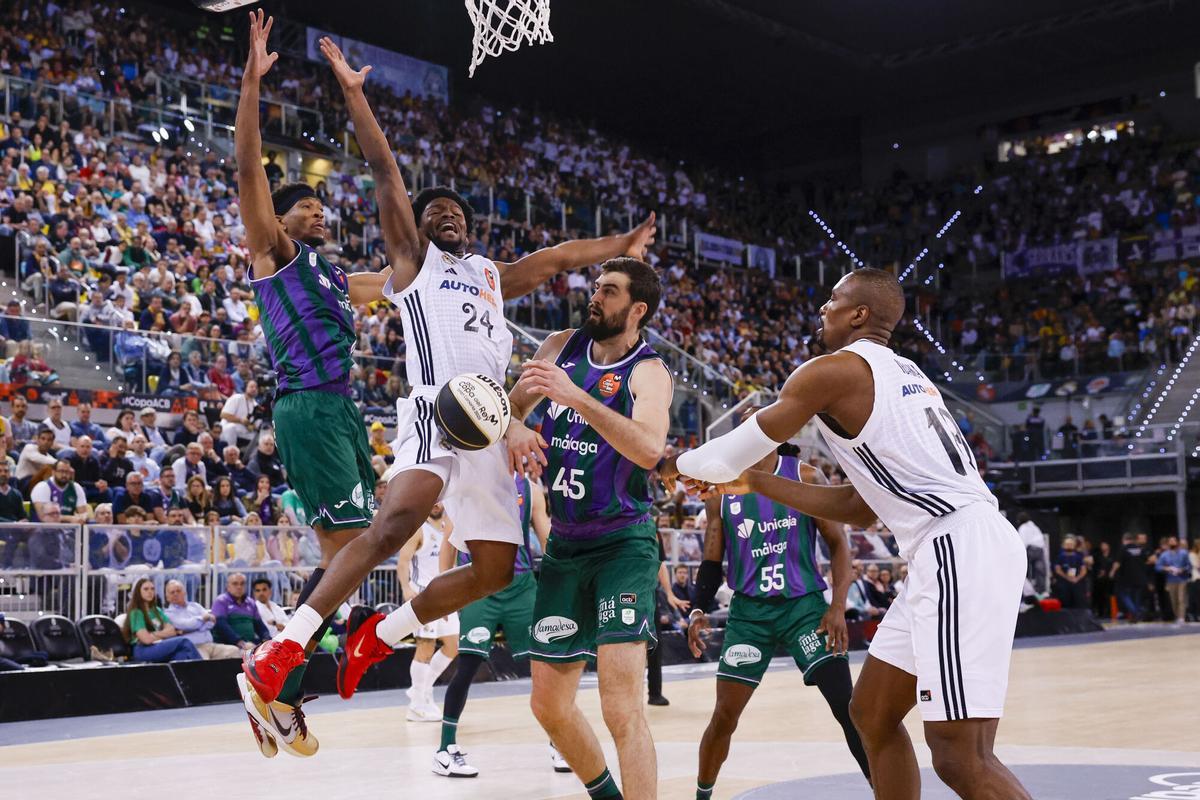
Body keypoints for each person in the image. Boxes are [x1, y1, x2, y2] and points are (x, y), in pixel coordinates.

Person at [242, 26, 658, 764]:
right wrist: (353, 93)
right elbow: (381, 168)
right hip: (439, 407)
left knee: (497, 569)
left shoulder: (494, 274)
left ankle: (383, 635)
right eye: (436, 215)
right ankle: (283, 650)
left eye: (455, 213)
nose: (446, 216)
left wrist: (621, 245)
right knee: (396, 521)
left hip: (492, 423)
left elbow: (559, 256)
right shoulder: (413, 263)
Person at [660, 268, 1031, 800]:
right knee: (872, 713)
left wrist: (669, 463)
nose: (822, 309)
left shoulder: (831, 371)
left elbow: (723, 452)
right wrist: (755, 482)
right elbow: (859, 508)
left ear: (859, 314)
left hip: (956, 545)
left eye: (832, 300)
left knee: (959, 756)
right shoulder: (906, 374)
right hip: (949, 545)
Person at [499, 256, 672, 800]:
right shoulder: (559, 347)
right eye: (596, 286)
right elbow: (506, 410)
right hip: (566, 548)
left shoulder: (649, 371)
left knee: (622, 709)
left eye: (610, 291)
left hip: (623, 545)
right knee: (547, 706)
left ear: (637, 308)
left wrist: (574, 395)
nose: (595, 296)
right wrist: (513, 430)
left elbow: (647, 448)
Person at [689, 434, 870, 800]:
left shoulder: (805, 476)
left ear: (773, 432)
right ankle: (701, 795)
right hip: (749, 615)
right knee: (724, 717)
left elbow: (838, 543)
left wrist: (837, 606)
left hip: (804, 609)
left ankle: (883, 789)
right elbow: (711, 559)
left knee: (847, 708)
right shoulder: (721, 489)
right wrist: (697, 608)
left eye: (756, 426)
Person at [432, 472, 565, 776]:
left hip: (521, 586)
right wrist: (444, 594)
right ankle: (445, 749)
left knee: (546, 666)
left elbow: (547, 541)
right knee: (466, 666)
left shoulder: (530, 489)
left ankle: (561, 743)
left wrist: (561, 585)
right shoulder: (467, 481)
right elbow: (449, 544)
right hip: (479, 584)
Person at [395, 503, 460, 723]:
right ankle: (416, 705)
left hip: (446, 595)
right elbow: (403, 562)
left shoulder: (449, 527)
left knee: (453, 646)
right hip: (424, 595)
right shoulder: (419, 529)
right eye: (432, 500)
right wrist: (406, 588)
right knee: (426, 646)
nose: (436, 503)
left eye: (440, 499)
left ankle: (421, 689)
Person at [123, 577, 203, 663]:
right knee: (184, 641)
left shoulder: (157, 610)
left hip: (158, 645)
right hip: (143, 650)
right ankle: (204, 672)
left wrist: (152, 634)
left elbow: (172, 631)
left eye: (152, 589)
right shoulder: (136, 613)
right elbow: (146, 640)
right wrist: (162, 634)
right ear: (138, 592)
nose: (150, 592)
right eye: (146, 589)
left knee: (181, 655)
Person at [163, 579, 243, 660]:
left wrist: (195, 627)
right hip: (194, 648)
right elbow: (186, 624)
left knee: (234, 651)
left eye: (178, 591)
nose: (176, 594)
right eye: (172, 592)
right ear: (167, 597)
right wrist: (202, 619)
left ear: (184, 592)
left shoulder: (195, 606)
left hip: (210, 644)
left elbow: (211, 622)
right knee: (204, 663)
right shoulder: (168, 614)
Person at [213, 573, 271, 650]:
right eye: (235, 584)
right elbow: (222, 626)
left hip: (250, 643)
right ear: (228, 586)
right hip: (229, 644)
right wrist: (239, 642)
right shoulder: (221, 601)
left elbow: (260, 626)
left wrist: (267, 639)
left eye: (242, 584)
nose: (239, 587)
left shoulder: (251, 602)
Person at [1112, 533, 1150, 622]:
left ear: (1124, 540)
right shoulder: (1139, 549)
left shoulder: (1123, 549)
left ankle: (1135, 612)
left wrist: (1112, 572)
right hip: (1140, 577)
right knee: (1137, 597)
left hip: (1127, 578)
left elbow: (1118, 563)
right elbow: (1148, 560)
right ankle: (1135, 616)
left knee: (1124, 595)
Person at [1155, 536, 1190, 626]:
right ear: (1168, 543)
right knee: (1173, 599)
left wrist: (1182, 569)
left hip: (1182, 578)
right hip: (1171, 579)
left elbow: (1189, 566)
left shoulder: (1183, 553)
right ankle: (1177, 616)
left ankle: (1182, 617)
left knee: (1181, 598)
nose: (1172, 542)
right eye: (1170, 541)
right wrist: (1167, 568)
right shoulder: (1164, 555)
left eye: (1174, 541)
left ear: (1177, 542)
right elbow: (1158, 567)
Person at [1052, 535, 1088, 610]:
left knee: (1077, 602)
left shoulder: (1079, 557)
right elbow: (1057, 569)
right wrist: (1067, 578)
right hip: (1064, 584)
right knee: (1065, 602)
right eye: (1067, 544)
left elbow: (1083, 570)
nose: (1069, 546)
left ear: (1074, 545)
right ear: (1063, 545)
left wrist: (1077, 579)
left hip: (1076, 584)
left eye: (1071, 544)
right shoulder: (1060, 557)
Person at [220, 380, 258, 449]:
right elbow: (223, 414)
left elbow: (254, 424)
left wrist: (252, 426)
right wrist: (241, 420)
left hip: (244, 431)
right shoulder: (237, 398)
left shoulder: (255, 404)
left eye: (256, 387)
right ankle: (232, 450)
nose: (254, 389)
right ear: (245, 388)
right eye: (251, 387)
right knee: (231, 427)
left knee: (260, 437)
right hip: (228, 429)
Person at [1015, 512, 1047, 595]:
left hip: (1031, 549)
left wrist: (1021, 554)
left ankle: (1030, 592)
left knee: (1027, 570)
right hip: (1040, 550)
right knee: (1039, 571)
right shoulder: (1035, 527)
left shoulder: (1023, 528)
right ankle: (1041, 590)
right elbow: (1041, 540)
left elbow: (1022, 541)